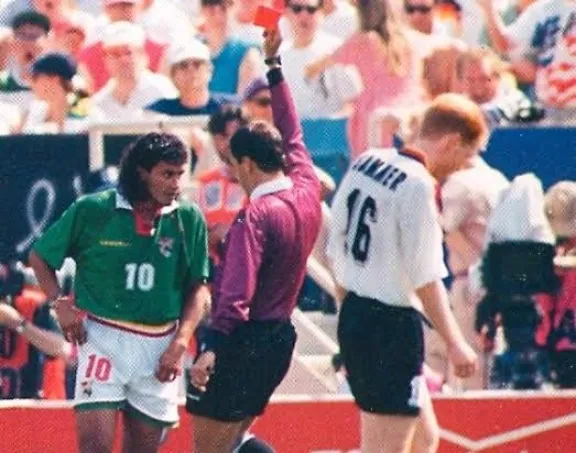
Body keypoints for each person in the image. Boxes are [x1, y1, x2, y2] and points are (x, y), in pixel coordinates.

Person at [28, 132, 211, 453]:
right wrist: (60, 303)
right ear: (141, 172)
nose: (176, 184)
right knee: (94, 448)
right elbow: (40, 257)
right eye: (167, 174)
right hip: (102, 336)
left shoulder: (188, 218)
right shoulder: (93, 209)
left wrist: (182, 341)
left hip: (160, 344)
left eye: (180, 174)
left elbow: (199, 287)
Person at [187, 29, 322, 453]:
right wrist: (274, 68)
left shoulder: (255, 216)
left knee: (210, 450)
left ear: (245, 163)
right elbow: (293, 131)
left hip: (242, 341)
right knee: (234, 443)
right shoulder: (306, 188)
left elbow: (236, 294)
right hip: (278, 339)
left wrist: (212, 346)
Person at [327, 93, 479, 453]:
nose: (463, 167)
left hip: (357, 312)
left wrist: (349, 310)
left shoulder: (367, 161)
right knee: (385, 449)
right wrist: (456, 343)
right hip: (390, 325)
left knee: (424, 439)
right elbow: (426, 277)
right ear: (450, 142)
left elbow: (336, 242)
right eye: (465, 155)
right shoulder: (418, 185)